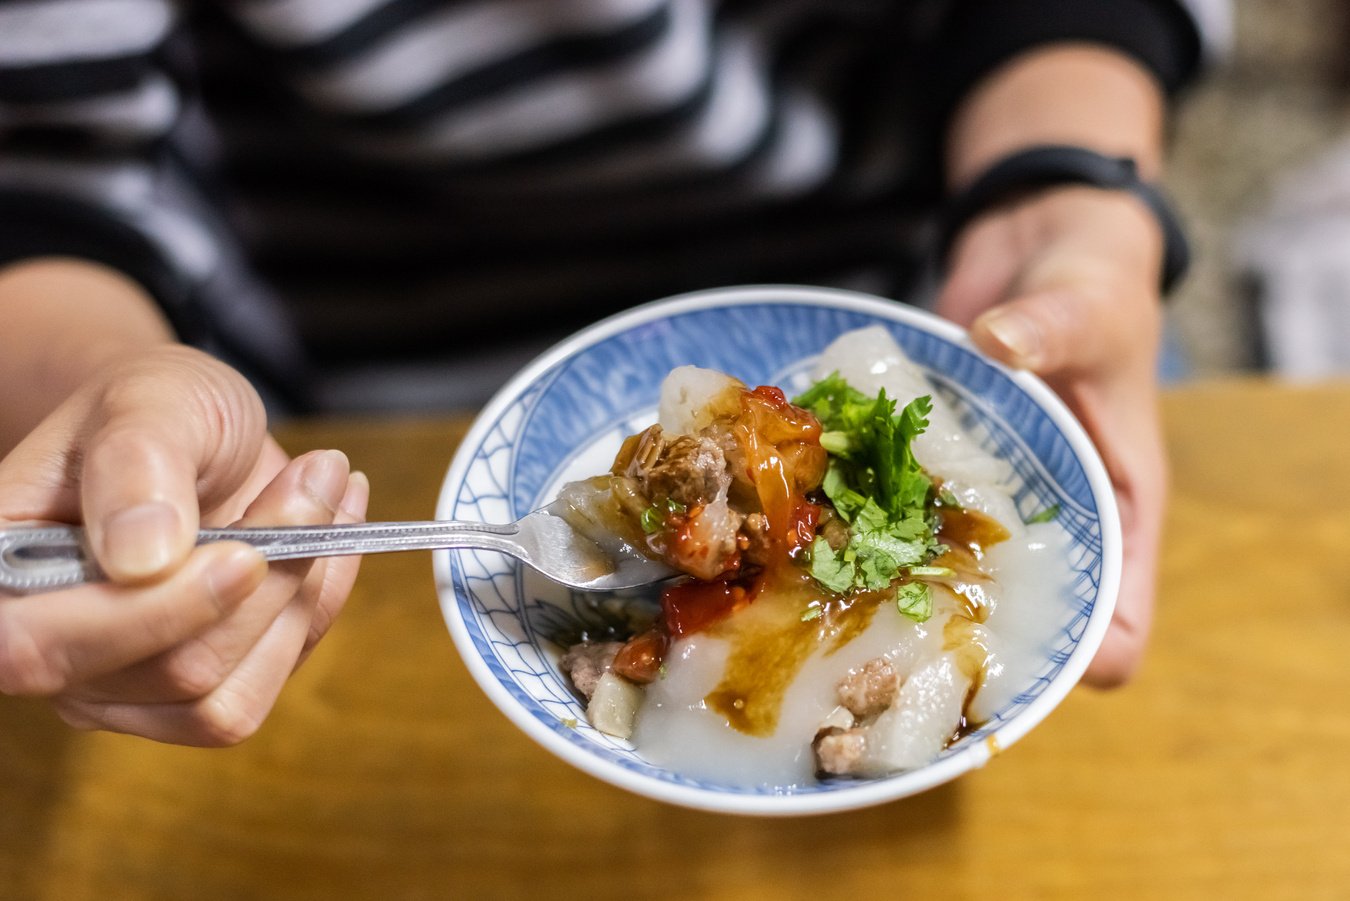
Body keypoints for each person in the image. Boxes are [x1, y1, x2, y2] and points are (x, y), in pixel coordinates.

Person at [0, 0, 1228, 745]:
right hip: (340, 378)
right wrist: (113, 396)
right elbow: (45, 174)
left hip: (939, 282)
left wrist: (1064, 191)